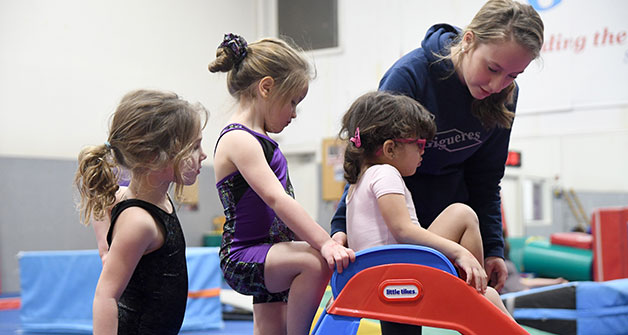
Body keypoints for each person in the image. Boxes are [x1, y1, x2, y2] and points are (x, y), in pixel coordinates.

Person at [331, 0, 544, 296]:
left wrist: (494, 248)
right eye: (493, 68)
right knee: (402, 313)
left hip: (450, 217)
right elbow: (368, 154)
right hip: (398, 215)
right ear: (468, 40)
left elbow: (485, 179)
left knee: (477, 297)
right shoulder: (411, 75)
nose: (497, 84)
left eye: (512, 75)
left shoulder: (504, 96)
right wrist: (340, 226)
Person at [208, 33, 355, 335]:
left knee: (270, 328)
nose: (294, 113)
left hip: (271, 250)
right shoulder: (239, 138)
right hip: (244, 254)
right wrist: (324, 242)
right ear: (266, 87)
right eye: (292, 102)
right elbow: (277, 199)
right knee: (315, 261)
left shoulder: (258, 139)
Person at [341, 91, 512, 334]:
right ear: (390, 149)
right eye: (419, 144)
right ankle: (474, 287)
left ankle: (474, 291)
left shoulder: (358, 184)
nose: (424, 151)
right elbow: (404, 230)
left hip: (376, 277)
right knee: (463, 214)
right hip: (397, 276)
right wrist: (460, 251)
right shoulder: (384, 173)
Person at [74, 89, 208, 334]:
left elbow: (104, 202)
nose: (204, 155)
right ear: (155, 156)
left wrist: (107, 249)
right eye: (195, 146)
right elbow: (105, 297)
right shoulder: (138, 222)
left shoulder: (154, 201)